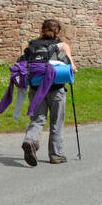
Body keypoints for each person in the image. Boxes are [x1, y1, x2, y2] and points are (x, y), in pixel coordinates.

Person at [22, 19, 77, 167]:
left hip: (36, 89)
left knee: (38, 120)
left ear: (42, 29)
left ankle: (30, 140)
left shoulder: (32, 45)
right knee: (56, 122)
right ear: (58, 31)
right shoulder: (63, 46)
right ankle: (56, 155)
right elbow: (72, 68)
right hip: (56, 89)